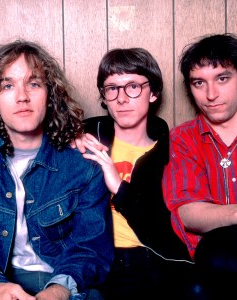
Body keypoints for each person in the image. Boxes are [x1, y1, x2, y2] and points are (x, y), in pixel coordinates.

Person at [0, 40, 113, 300]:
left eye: (34, 83)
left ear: (50, 95)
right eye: (7, 85)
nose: (22, 97)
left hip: (65, 282)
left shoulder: (83, 167)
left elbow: (91, 248)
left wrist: (58, 290)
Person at [162, 33, 237, 298]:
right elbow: (187, 211)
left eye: (222, 78)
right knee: (217, 255)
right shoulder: (182, 138)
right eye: (199, 82)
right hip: (217, 270)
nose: (211, 94)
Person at [75, 48, 197, 299]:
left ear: (153, 93)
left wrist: (118, 187)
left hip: (148, 260)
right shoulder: (86, 138)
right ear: (104, 97)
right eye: (112, 88)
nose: (121, 98)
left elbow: (165, 226)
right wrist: (66, 137)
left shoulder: (171, 151)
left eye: (133, 86)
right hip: (91, 257)